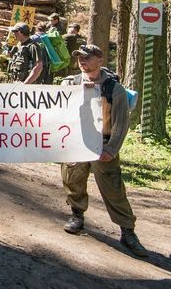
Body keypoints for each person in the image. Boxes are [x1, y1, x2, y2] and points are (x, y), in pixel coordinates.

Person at [60, 44, 148, 257]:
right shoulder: (69, 84)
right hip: (76, 144)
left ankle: (127, 231)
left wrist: (111, 149)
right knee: (72, 179)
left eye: (87, 58)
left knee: (113, 188)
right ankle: (77, 215)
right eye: (80, 57)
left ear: (100, 60)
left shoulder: (113, 89)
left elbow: (121, 123)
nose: (82, 61)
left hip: (103, 146)